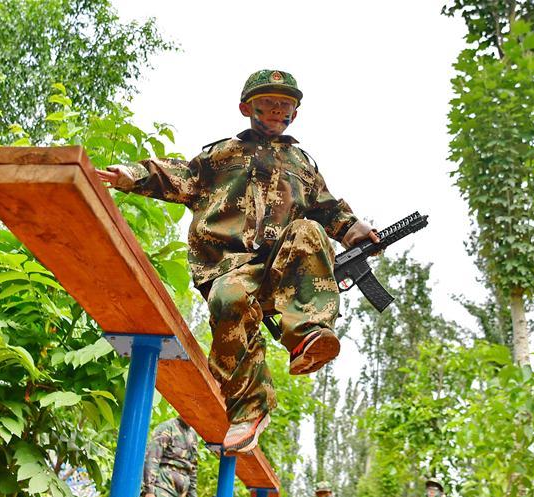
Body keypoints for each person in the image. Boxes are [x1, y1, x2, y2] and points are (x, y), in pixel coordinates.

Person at [97, 70, 378, 454]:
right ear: (248, 108)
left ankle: (308, 334)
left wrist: (353, 229)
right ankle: (250, 409)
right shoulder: (222, 155)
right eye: (269, 103)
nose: (278, 110)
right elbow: (180, 175)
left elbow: (328, 210)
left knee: (308, 230)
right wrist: (131, 175)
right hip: (229, 265)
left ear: (295, 112)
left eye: (286, 104)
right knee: (227, 301)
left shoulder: (303, 165)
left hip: (283, 267)